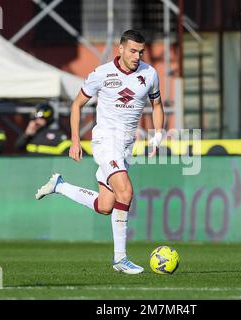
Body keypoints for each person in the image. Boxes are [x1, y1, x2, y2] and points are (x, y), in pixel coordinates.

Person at [35, 30, 165, 274]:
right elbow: (76, 104)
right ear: (121, 49)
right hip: (106, 141)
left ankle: (60, 185)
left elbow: (157, 104)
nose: (137, 56)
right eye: (132, 51)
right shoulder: (102, 74)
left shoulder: (149, 74)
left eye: (140, 52)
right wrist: (75, 140)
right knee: (125, 192)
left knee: (106, 205)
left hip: (126, 145)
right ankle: (120, 259)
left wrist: (157, 135)